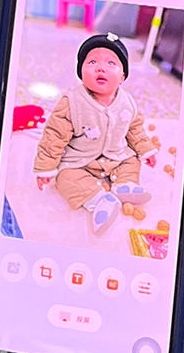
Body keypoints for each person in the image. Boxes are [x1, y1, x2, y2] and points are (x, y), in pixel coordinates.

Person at [33, 33, 156, 235]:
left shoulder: (128, 102)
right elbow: (54, 137)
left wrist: (146, 149)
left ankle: (125, 185)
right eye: (92, 62)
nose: (100, 68)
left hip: (116, 156)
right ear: (81, 72)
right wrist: (46, 167)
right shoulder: (71, 102)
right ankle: (98, 200)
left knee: (132, 161)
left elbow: (135, 129)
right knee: (65, 178)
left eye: (111, 63)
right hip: (80, 161)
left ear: (123, 76)